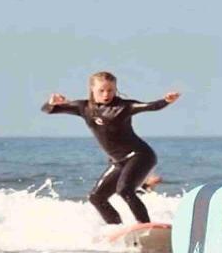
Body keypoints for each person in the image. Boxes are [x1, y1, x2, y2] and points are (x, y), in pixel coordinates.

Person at [42, 71, 180, 224]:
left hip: (140, 155)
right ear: (92, 89)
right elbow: (48, 110)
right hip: (118, 161)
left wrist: (166, 101)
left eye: (110, 90)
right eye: (101, 90)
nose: (106, 94)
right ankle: (117, 228)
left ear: (115, 89)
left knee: (125, 190)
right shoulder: (83, 107)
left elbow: (150, 106)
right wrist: (51, 102)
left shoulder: (124, 106)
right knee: (96, 197)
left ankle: (146, 226)